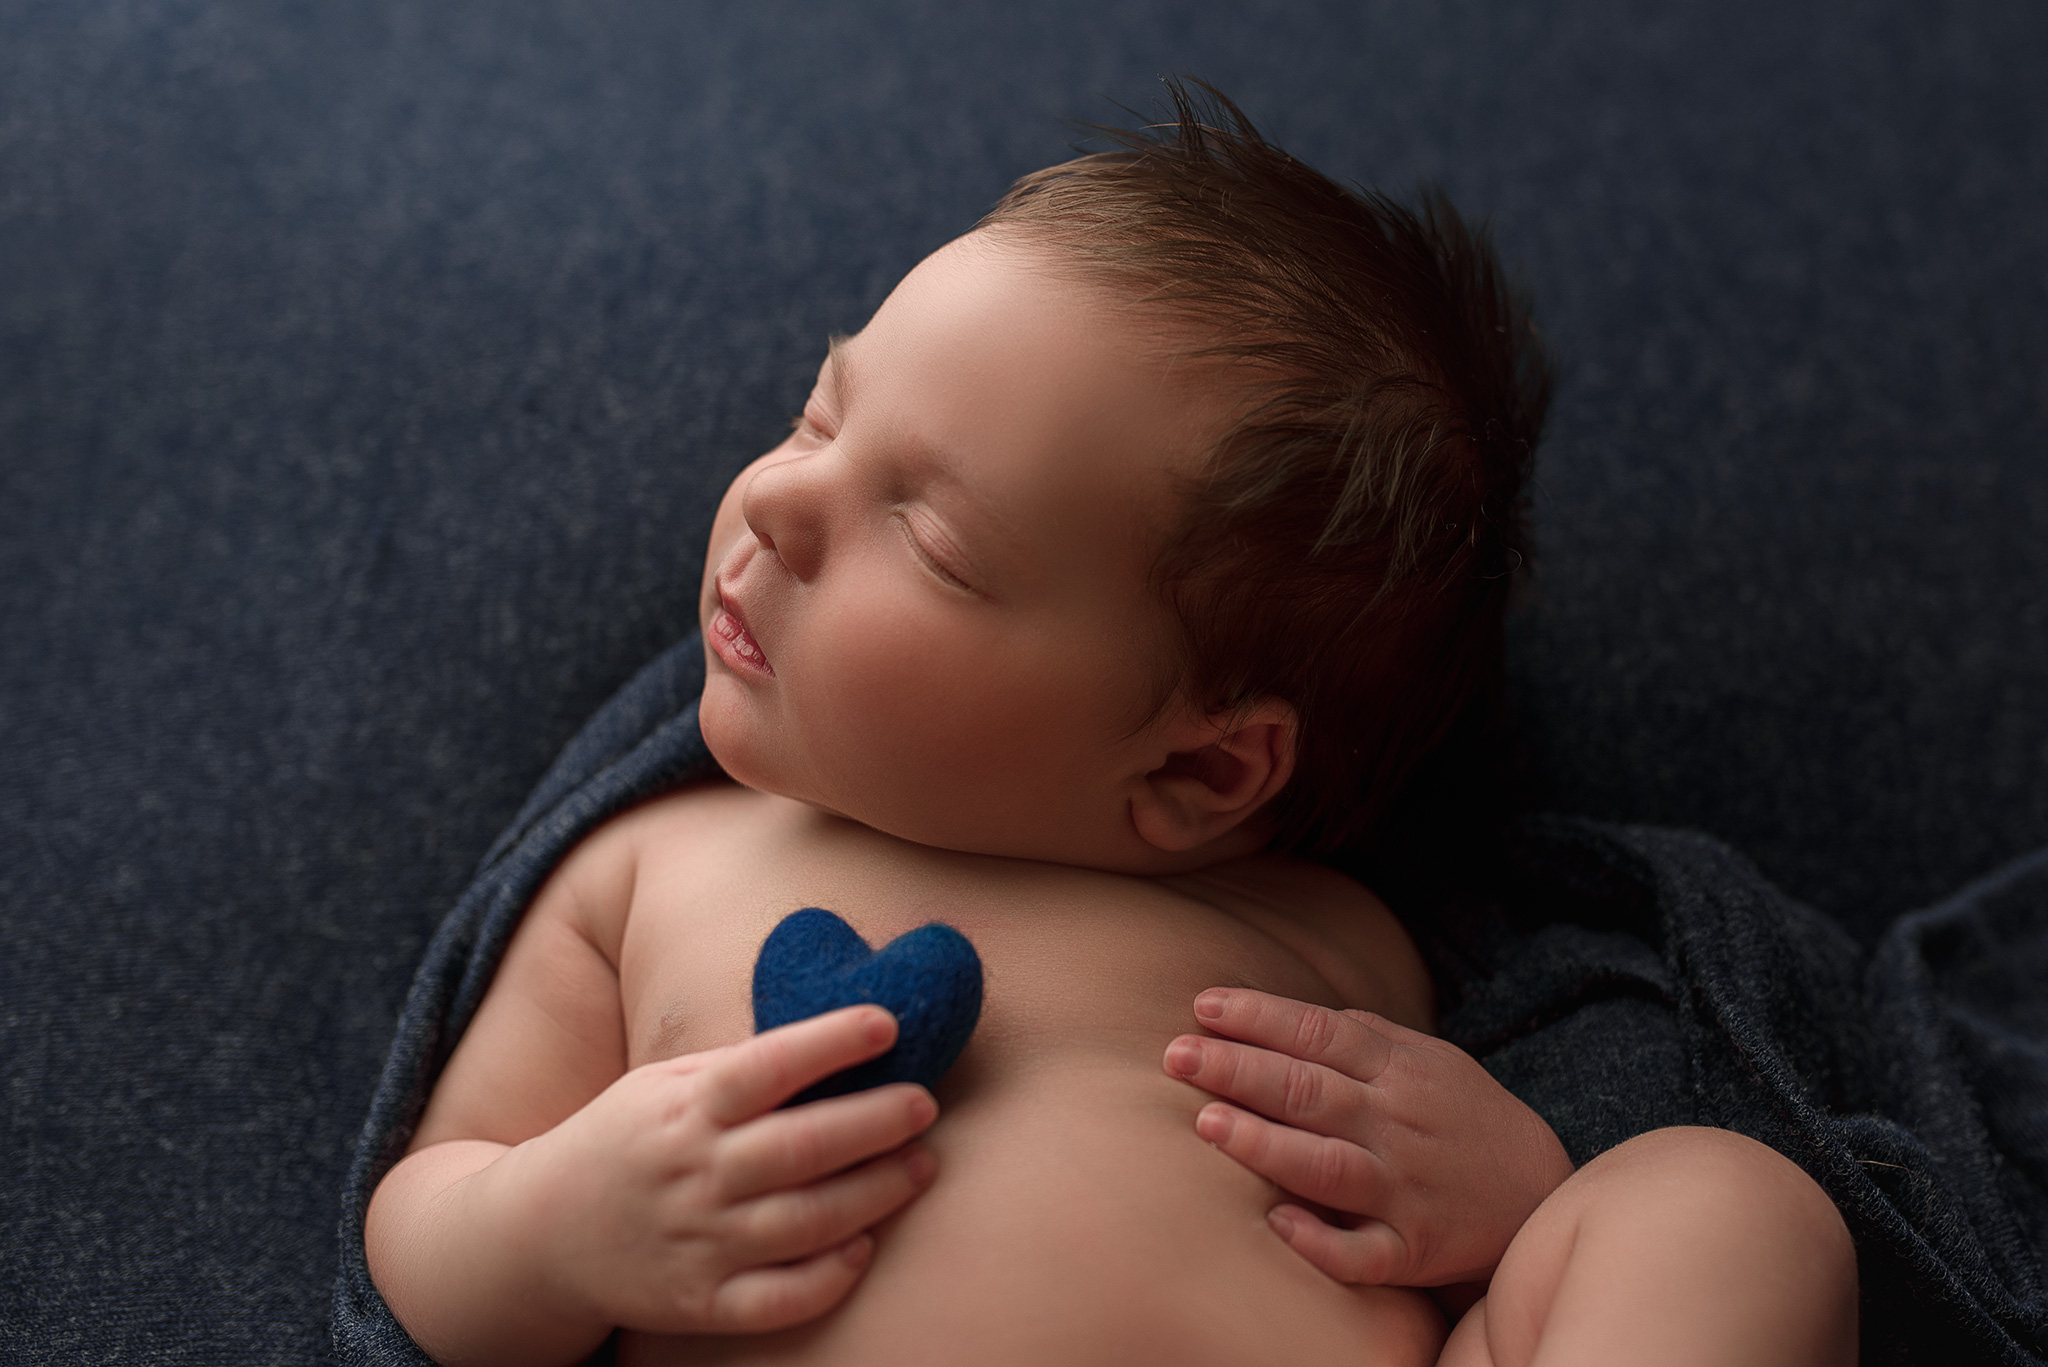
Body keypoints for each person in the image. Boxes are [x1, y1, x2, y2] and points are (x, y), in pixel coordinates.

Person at [363, 82, 1858, 1367]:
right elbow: (422, 1218)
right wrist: (559, 1229)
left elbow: (1512, 1174)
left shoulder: (1328, 938)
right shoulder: (648, 870)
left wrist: (1517, 1184)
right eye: (821, 416)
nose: (776, 497)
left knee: (1725, 1204)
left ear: (1202, 767)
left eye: (935, 540)